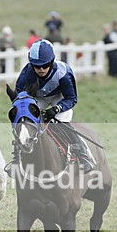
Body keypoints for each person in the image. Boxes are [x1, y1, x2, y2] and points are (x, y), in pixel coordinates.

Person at [10, 39, 94, 174]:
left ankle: (83, 156)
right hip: (38, 98)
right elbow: (20, 100)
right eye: (37, 66)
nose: (41, 69)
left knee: (62, 124)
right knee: (24, 121)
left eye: (45, 65)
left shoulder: (64, 73)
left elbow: (72, 99)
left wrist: (57, 109)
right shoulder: (26, 75)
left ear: (52, 61)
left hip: (60, 98)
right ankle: (15, 159)